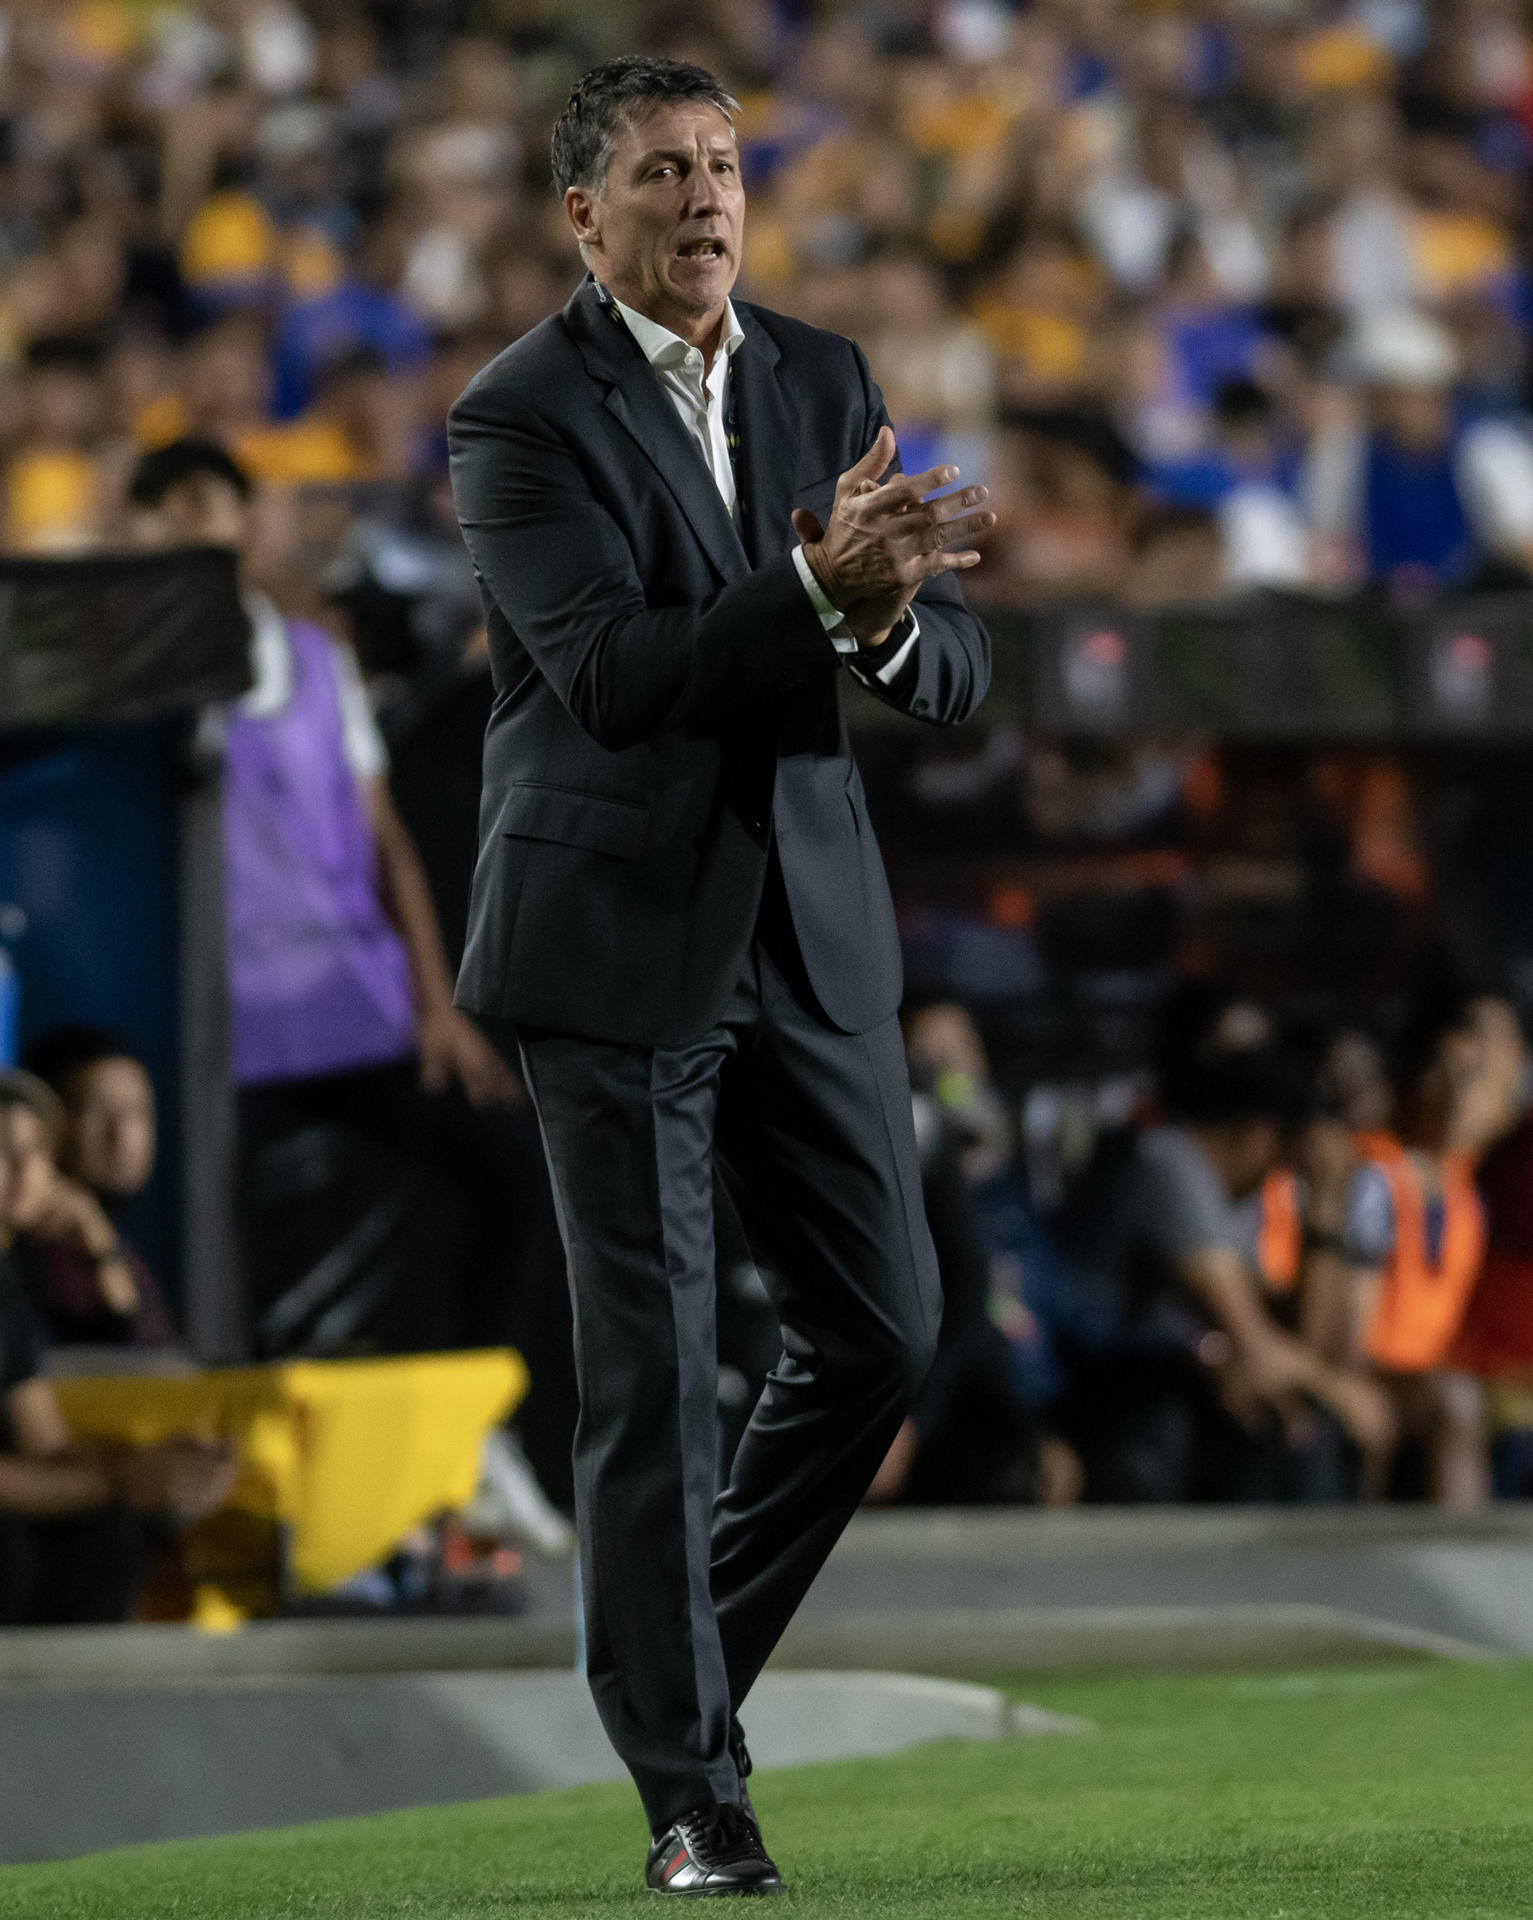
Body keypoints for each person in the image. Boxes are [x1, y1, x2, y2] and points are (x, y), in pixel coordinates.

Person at [447, 57, 991, 1897]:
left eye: (726, 164)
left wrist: (895, 621)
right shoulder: (512, 418)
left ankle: (678, 1689)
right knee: (660, 1372)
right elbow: (608, 672)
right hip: (612, 944)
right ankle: (692, 1798)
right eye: (662, 170)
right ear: (581, 217)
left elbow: (934, 649)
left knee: (885, 1329)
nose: (704, 195)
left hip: (805, 925)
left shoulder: (822, 375)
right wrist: (825, 600)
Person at [124, 438, 574, 1493]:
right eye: (161, 509)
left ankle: (478, 1430)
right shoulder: (139, 682)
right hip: (217, 1029)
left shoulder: (319, 666)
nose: (184, 527)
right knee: (204, 1236)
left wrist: (437, 1004)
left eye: (201, 502)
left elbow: (386, 849)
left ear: (246, 522)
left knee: (517, 1173)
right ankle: (229, 1470)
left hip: (351, 1004)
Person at [0, 1080, 235, 1624]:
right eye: (2, 1149)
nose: (21, 1167)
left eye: (35, 1150)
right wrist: (118, 1482)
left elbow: (45, 1441)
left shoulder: (9, 1288)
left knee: (112, 1536)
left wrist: (153, 1465)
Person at [20, 1027, 176, 1350]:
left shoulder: (107, 1237)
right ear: (45, 1125)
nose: (123, 1135)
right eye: (99, 1111)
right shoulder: (37, 1253)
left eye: (137, 1112)